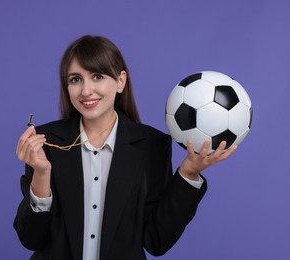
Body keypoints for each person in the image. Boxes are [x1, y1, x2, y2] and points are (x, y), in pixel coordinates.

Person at [14, 35, 237, 260]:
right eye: (75, 79)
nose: (85, 91)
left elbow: (156, 240)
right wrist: (41, 174)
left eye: (97, 76)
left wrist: (188, 173)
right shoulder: (46, 142)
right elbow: (31, 238)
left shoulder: (151, 146)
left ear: (120, 81)